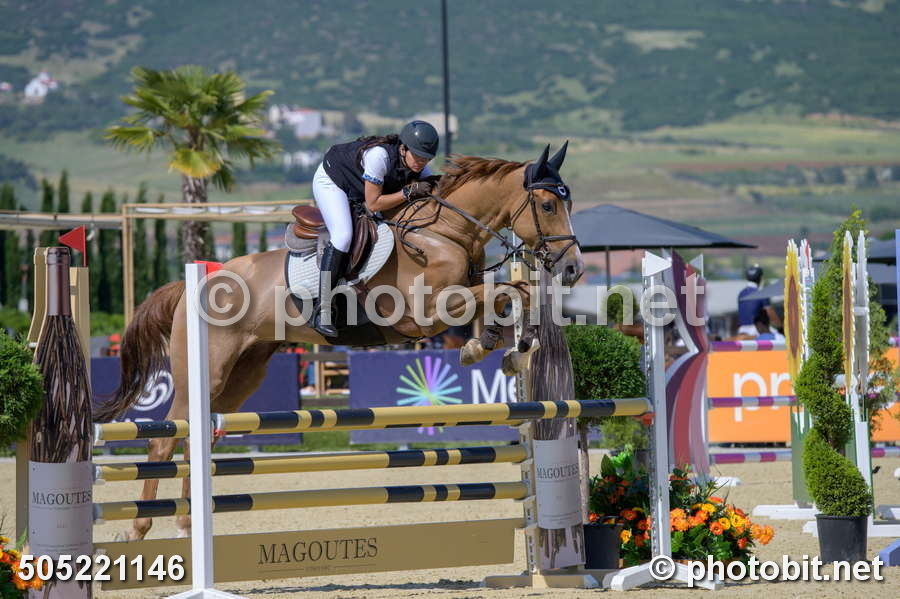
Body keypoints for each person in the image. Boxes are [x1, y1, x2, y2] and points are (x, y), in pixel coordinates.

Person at [311, 120, 440, 337]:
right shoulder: (379, 156)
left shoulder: (420, 165)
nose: (421, 162)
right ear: (403, 148)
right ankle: (322, 309)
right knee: (343, 236)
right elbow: (373, 204)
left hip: (361, 190)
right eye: (418, 156)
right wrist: (407, 193)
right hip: (334, 181)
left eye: (426, 158)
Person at [736, 264, 768, 336]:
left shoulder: (741, 294)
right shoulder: (761, 293)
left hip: (742, 329)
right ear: (760, 278)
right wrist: (779, 326)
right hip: (757, 329)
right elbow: (770, 312)